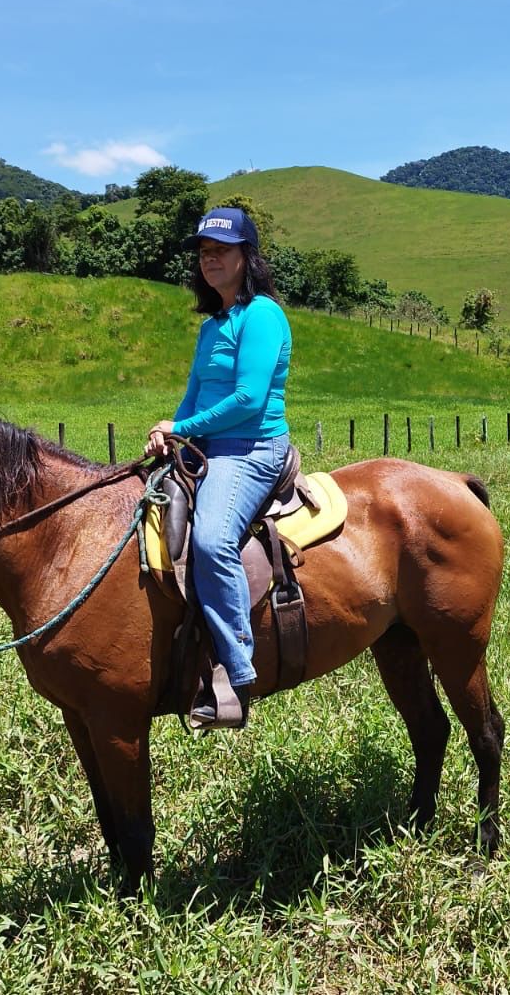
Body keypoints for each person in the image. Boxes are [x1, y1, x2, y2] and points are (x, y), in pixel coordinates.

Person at [145, 206, 291, 727]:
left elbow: (250, 398)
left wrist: (187, 428)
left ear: (245, 257)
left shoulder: (263, 316)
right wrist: (170, 429)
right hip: (205, 446)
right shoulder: (212, 326)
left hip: (251, 448)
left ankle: (237, 669)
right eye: (204, 253)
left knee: (210, 540)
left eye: (221, 251)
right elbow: (192, 397)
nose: (210, 261)